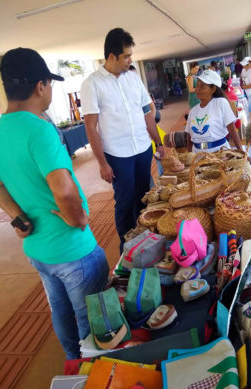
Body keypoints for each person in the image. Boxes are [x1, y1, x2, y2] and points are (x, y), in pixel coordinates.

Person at [0, 47, 109, 359]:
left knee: (61, 314)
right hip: (72, 249)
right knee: (93, 320)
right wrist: (79, 220)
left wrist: (18, 217)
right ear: (40, 86)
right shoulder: (40, 130)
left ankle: (74, 367)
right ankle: (96, 374)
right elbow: (63, 190)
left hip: (38, 250)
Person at [80, 28, 164, 252]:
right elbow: (91, 126)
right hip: (118, 155)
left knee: (144, 196)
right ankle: (127, 246)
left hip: (142, 148)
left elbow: (147, 112)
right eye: (126, 56)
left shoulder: (133, 78)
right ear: (111, 57)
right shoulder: (92, 84)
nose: (130, 60)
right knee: (126, 201)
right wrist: (102, 163)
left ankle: (145, 236)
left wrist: (159, 143)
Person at [185, 70, 244, 154]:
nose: (197, 89)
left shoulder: (220, 103)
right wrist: (189, 155)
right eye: (197, 85)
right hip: (198, 155)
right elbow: (189, 137)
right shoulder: (193, 111)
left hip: (220, 153)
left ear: (213, 89)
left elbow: (232, 130)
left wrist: (241, 151)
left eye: (202, 86)